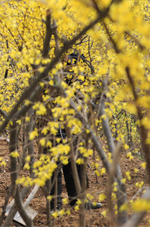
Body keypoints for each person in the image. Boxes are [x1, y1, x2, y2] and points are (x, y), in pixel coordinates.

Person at [47, 52, 102, 213]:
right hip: (52, 114)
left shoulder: (78, 56)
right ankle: (54, 204)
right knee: (54, 161)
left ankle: (78, 199)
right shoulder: (50, 55)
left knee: (76, 159)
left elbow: (85, 84)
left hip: (74, 116)